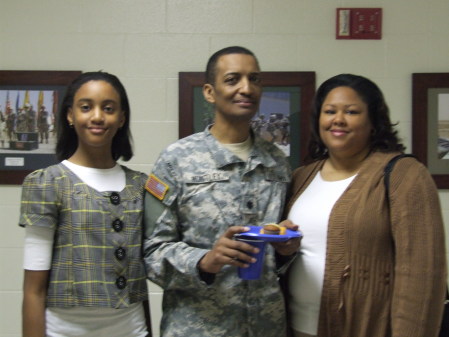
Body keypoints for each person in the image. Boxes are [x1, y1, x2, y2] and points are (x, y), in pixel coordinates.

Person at [143, 46, 300, 337]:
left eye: (254, 79)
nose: (246, 88)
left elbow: (277, 260)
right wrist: (205, 261)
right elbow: (152, 253)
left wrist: (284, 250)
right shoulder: (176, 160)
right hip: (198, 327)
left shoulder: (276, 161)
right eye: (232, 79)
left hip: (266, 326)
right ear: (209, 92)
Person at [283, 73, 447, 337]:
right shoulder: (302, 176)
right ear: (318, 120)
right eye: (329, 111)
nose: (338, 119)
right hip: (297, 327)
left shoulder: (404, 175)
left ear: (373, 121)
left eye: (351, 111)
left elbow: (422, 274)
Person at [19, 71, 151, 337]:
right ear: (70, 115)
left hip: (132, 329)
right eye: (86, 107)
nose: (98, 116)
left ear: (122, 117)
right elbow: (33, 289)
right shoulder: (47, 183)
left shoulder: (141, 186)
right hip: (64, 330)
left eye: (109, 108)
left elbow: (139, 280)